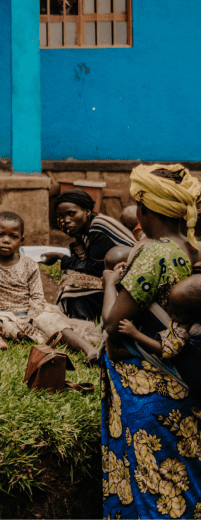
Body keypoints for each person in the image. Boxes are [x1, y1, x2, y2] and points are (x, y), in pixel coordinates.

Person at [101, 164, 201, 519]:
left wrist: (110, 283)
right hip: (182, 376)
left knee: (150, 486)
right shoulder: (191, 248)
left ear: (143, 209)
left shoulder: (154, 252)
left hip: (149, 382)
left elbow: (112, 324)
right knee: (180, 486)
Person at [0, 211, 100, 361]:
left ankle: (89, 349)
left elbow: (37, 297)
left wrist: (30, 318)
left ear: (22, 240)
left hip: (30, 311)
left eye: (13, 236)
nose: (6, 240)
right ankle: (23, 335)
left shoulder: (29, 264)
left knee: (52, 321)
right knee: (2, 323)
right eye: (0, 235)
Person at [41, 188, 136, 322]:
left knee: (72, 285)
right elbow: (84, 261)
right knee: (72, 279)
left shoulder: (98, 226)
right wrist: (76, 237)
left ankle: (82, 322)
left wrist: (60, 257)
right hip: (118, 281)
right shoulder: (88, 230)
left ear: (87, 211)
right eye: (61, 216)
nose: (66, 220)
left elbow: (93, 269)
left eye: (72, 214)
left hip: (131, 285)